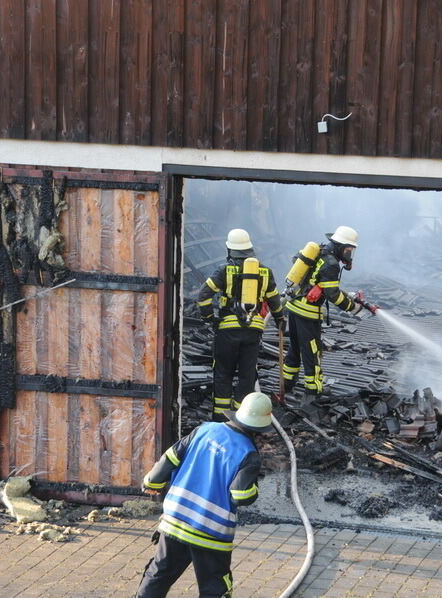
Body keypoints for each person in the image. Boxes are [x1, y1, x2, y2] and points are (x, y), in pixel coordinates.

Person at [136, 391, 273, 598]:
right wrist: (254, 488)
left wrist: (151, 482)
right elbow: (241, 495)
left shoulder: (204, 429)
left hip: (175, 519)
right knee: (214, 587)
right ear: (260, 427)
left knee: (159, 573)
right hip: (210, 531)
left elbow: (170, 458)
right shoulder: (248, 453)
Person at [282, 225, 372, 415]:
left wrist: (318, 285)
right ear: (340, 246)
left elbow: (300, 265)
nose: (349, 254)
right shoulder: (331, 263)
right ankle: (313, 391)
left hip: (294, 307)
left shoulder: (318, 252)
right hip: (308, 313)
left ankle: (286, 384)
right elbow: (333, 294)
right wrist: (352, 308)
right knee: (312, 351)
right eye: (348, 250)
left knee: (295, 348)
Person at [197, 229, 285, 421]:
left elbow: (203, 296)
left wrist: (210, 318)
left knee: (223, 373)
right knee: (247, 376)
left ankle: (221, 420)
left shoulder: (224, 270)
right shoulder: (265, 272)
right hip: (253, 331)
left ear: (230, 250)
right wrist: (280, 320)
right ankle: (242, 420)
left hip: (227, 332)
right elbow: (275, 302)